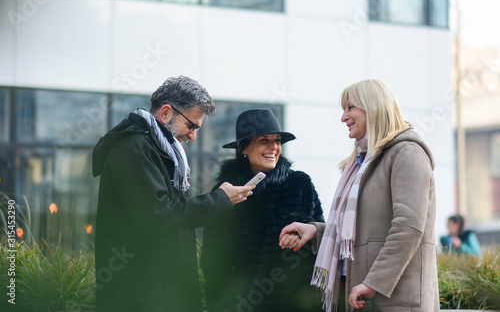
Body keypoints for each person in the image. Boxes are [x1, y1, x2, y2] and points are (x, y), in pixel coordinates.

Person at [92, 76, 255, 312]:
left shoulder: (159, 149)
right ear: (166, 113)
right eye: (191, 126)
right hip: (140, 296)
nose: (193, 136)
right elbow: (160, 214)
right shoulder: (133, 148)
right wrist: (221, 199)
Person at [279, 79, 439, 312]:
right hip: (361, 297)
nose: (343, 117)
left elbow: (409, 227)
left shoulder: (407, 153)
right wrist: (316, 230)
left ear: (373, 107)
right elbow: (357, 230)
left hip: (394, 301)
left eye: (350, 108)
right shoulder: (361, 163)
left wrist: (374, 282)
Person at [201, 108, 325, 312]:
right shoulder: (226, 194)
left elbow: (322, 240)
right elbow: (213, 263)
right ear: (243, 148)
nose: (274, 147)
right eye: (264, 140)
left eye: (277, 141)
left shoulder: (299, 183)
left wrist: (305, 233)